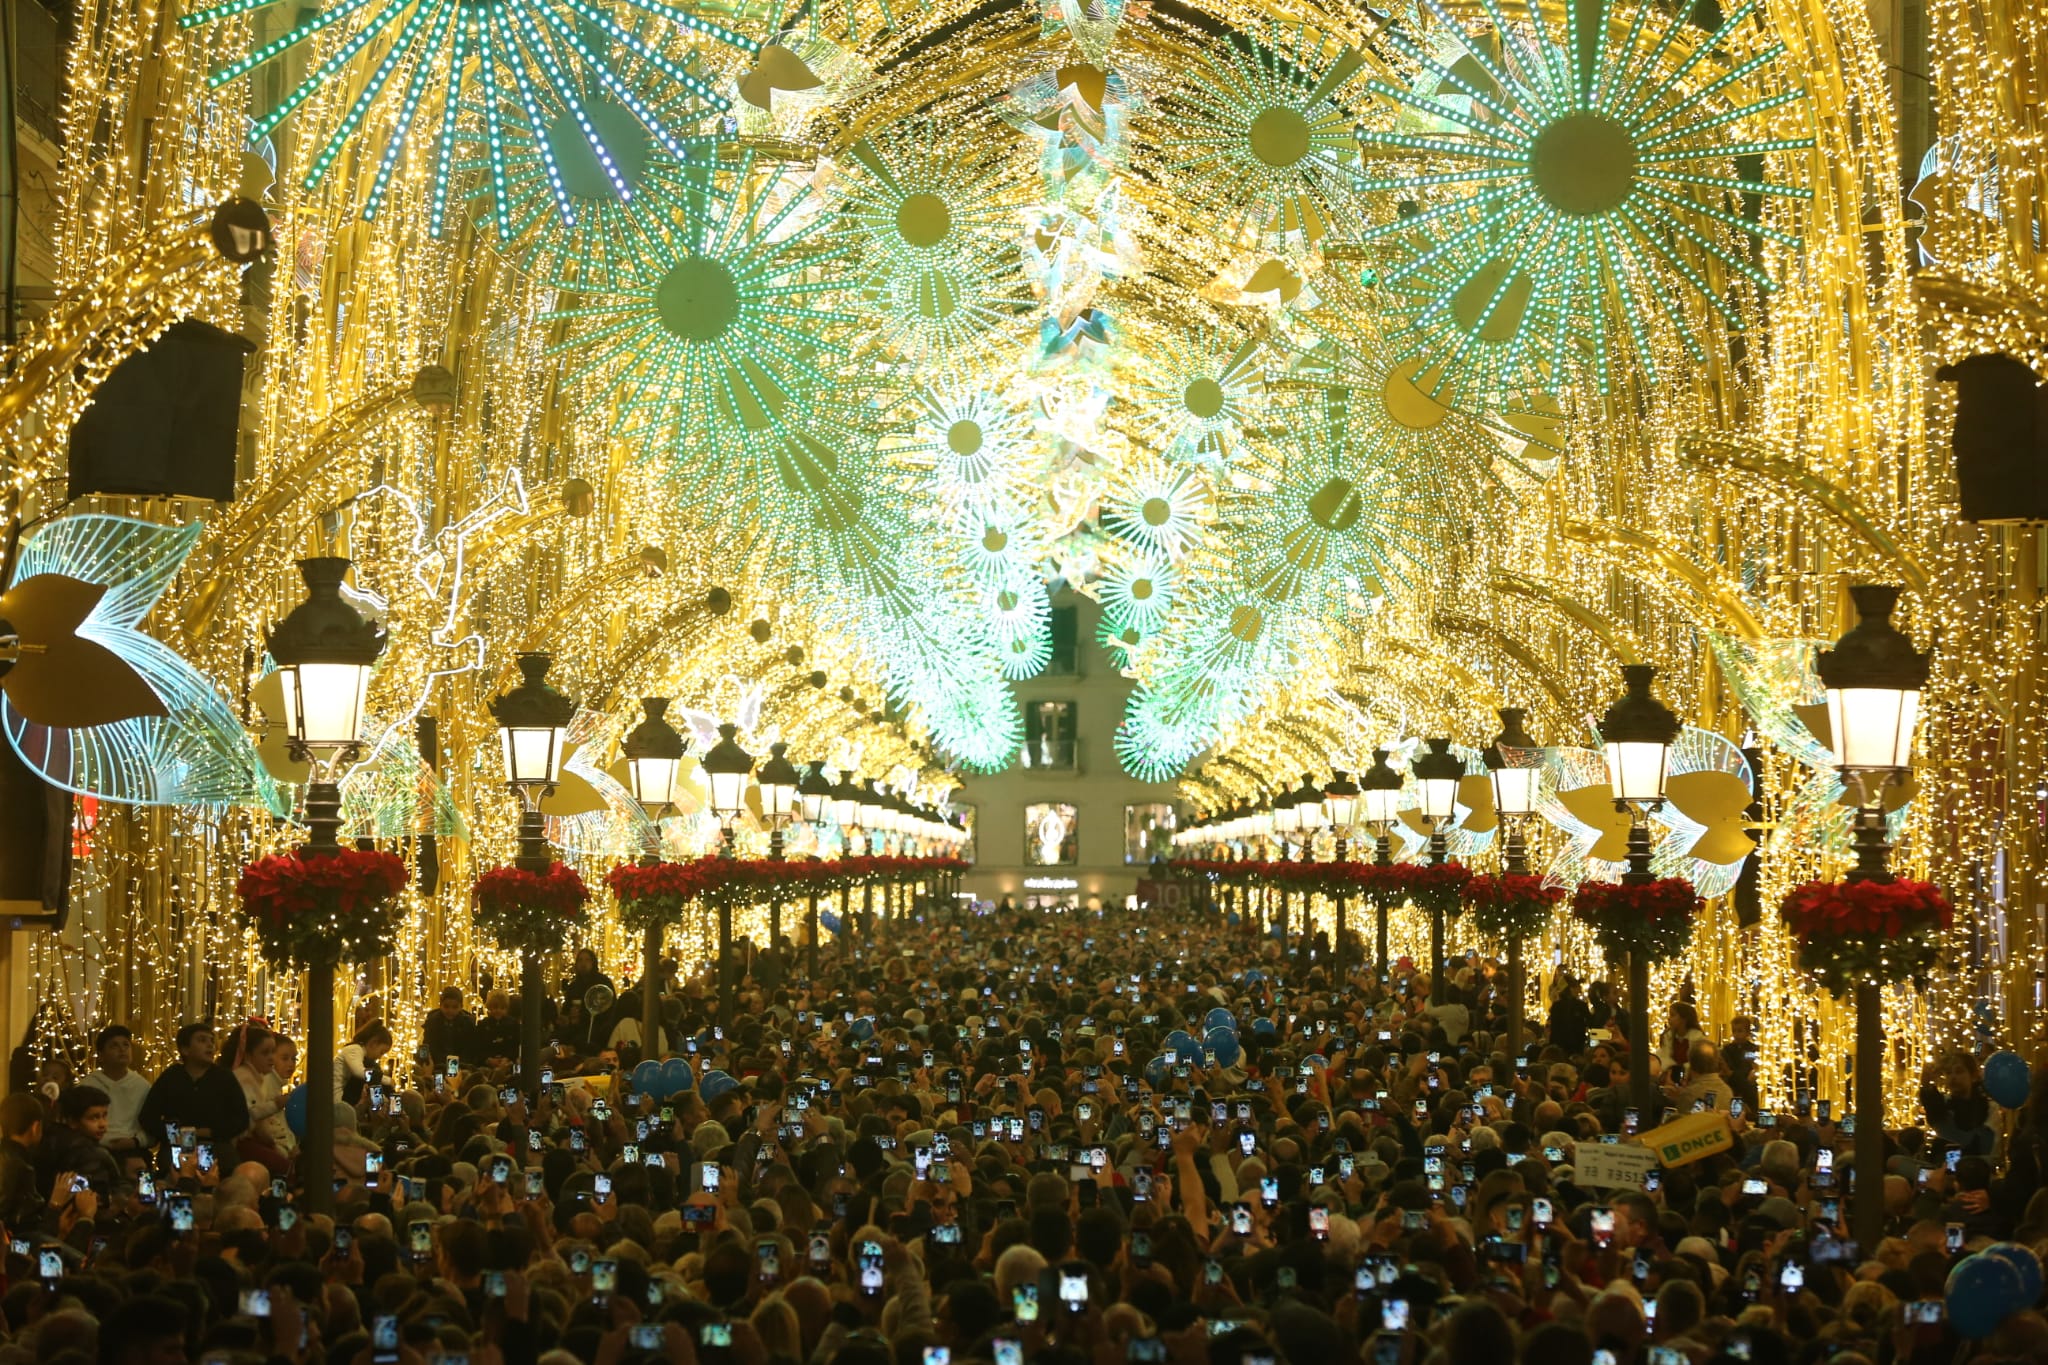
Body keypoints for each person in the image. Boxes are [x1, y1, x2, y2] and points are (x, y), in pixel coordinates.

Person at [136, 1020, 247, 1157]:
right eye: (202, 1040)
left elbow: (241, 1119)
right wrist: (175, 1134)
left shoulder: (223, 1077)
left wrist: (209, 1132)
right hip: (177, 1147)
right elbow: (147, 1117)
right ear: (185, 1049)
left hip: (216, 1146)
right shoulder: (172, 1076)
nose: (210, 1045)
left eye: (212, 1041)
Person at [80, 1023, 151, 1155]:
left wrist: (135, 1141)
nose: (122, 1050)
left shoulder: (142, 1085)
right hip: (94, 1149)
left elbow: (151, 1127)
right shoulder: (88, 1085)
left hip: (133, 1149)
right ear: (101, 1055)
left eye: (126, 1045)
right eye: (114, 1046)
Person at [333, 1019, 393, 1105]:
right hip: (336, 1099)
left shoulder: (361, 1054)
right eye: (381, 1052)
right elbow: (358, 1071)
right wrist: (387, 1080)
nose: (380, 1057)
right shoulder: (355, 1049)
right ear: (374, 1043)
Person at [423, 985, 474, 1068]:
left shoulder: (467, 1023)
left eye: (455, 1007)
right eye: (446, 1006)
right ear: (440, 1005)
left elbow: (469, 1049)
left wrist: (455, 1064)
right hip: (437, 1064)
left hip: (461, 1065)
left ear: (461, 1007)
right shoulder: (432, 1021)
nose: (450, 1011)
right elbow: (428, 1045)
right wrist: (425, 1062)